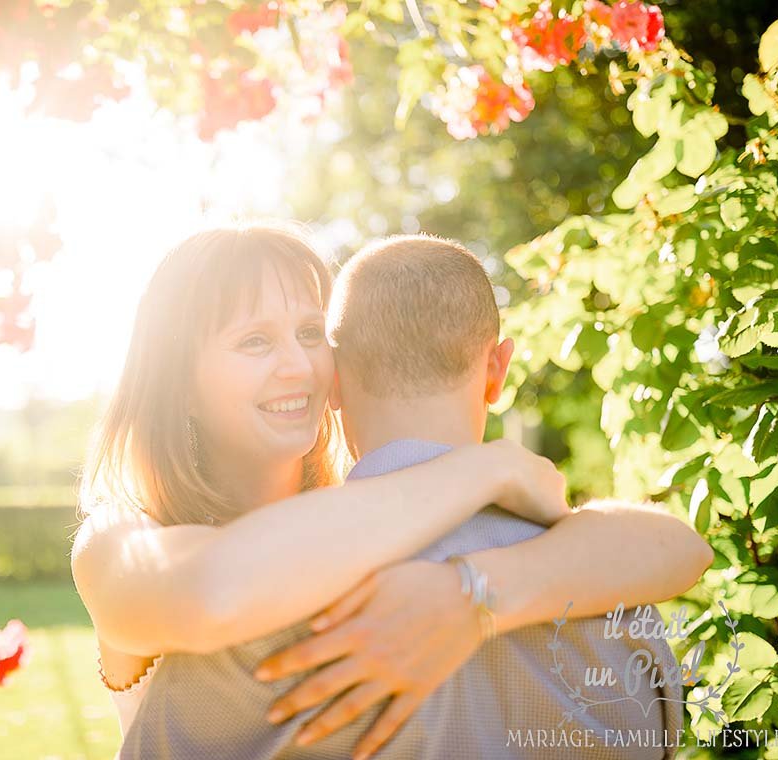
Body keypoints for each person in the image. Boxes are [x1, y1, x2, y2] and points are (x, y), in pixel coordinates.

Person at [71, 223, 711, 757]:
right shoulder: (119, 536)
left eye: (311, 333)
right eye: (255, 341)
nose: (299, 365)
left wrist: (470, 596)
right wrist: (484, 469)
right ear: (179, 383)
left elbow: (678, 547)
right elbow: (210, 592)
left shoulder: (392, 519)